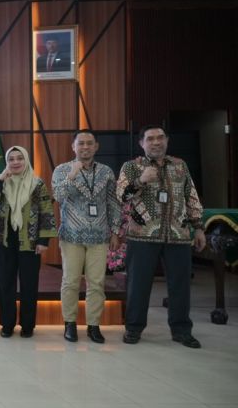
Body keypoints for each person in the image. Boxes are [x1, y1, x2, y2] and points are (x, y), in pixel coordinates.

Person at [117, 126, 206, 348]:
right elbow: (121, 196)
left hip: (178, 234)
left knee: (180, 286)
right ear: (142, 143)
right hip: (142, 236)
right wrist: (141, 180)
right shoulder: (131, 166)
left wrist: (198, 227)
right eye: (150, 139)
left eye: (160, 138)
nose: (156, 142)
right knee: (138, 285)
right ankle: (133, 328)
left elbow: (191, 196)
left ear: (167, 140)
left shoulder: (180, 165)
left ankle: (181, 330)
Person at [52, 131, 121, 343]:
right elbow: (58, 196)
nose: (85, 147)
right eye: (80, 143)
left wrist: (115, 231)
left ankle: (93, 325)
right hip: (71, 236)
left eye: (89, 143)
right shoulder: (62, 170)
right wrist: (72, 175)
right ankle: (69, 323)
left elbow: (113, 202)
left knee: (97, 283)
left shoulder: (106, 172)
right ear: (73, 146)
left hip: (100, 236)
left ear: (96, 146)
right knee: (70, 282)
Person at [0, 146, 56, 338]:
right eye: (11, 159)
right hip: (4, 241)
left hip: (30, 241)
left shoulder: (37, 183)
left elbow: (46, 211)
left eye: (20, 158)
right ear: (6, 162)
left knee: (29, 284)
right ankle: (7, 324)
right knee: (5, 283)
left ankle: (27, 325)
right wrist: (1, 180)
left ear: (26, 161)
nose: (15, 162)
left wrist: (43, 240)